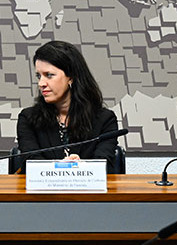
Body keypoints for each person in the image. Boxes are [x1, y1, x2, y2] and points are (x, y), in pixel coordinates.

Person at [16, 40, 119, 172]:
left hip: (88, 192)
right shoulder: (28, 118)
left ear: (71, 77)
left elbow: (104, 165)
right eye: (39, 76)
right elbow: (31, 164)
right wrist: (62, 167)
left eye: (49, 75)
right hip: (43, 192)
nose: (41, 83)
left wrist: (79, 167)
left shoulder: (105, 120)